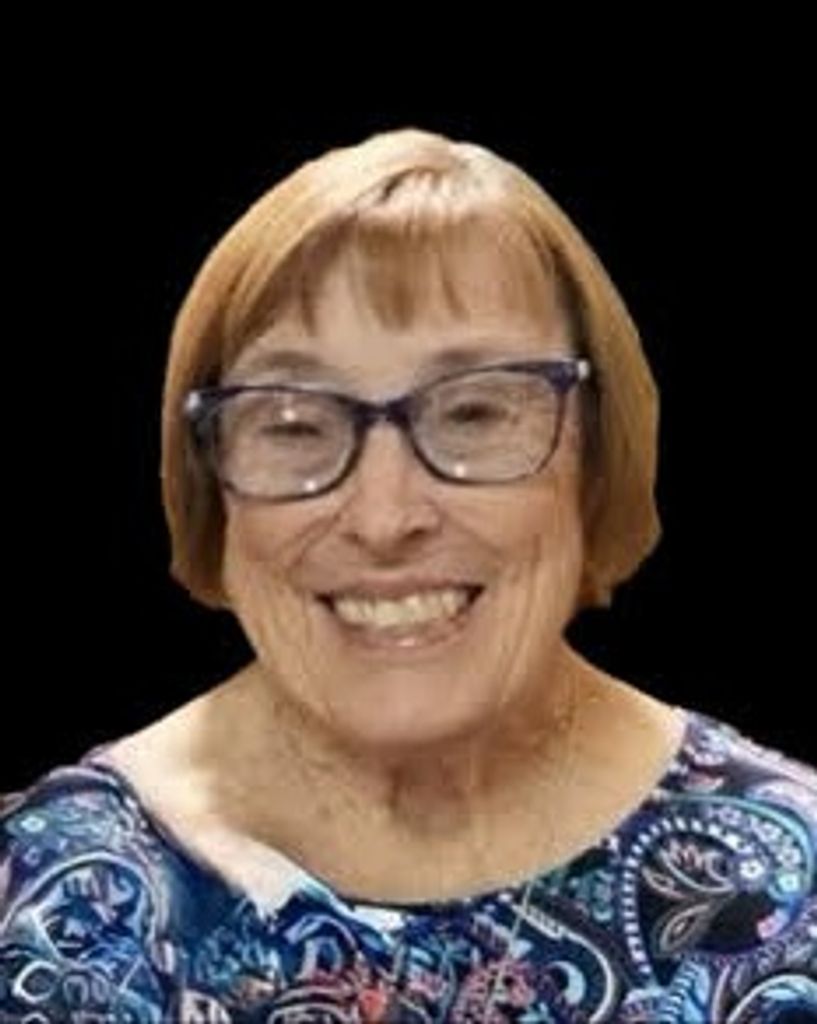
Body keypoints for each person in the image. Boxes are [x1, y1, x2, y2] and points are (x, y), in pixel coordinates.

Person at [1, 127, 815, 1023]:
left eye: (473, 413)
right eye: (293, 424)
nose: (384, 518)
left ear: (593, 455)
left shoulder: (790, 890)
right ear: (210, 485)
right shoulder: (49, 897)